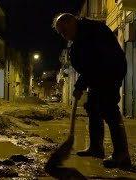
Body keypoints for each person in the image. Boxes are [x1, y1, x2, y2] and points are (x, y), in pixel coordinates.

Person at [52, 13, 131, 168]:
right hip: (97, 74)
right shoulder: (80, 38)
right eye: (61, 33)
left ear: (72, 22)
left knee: (108, 108)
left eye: (64, 31)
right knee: (92, 107)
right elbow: (88, 66)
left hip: (111, 70)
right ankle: (96, 148)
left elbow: (96, 61)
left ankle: (122, 154)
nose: (64, 36)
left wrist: (80, 85)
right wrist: (81, 84)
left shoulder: (94, 31)